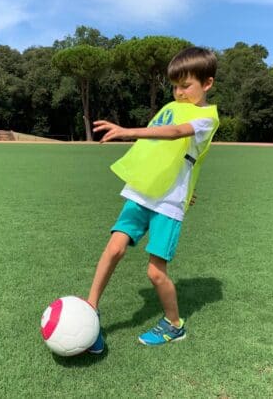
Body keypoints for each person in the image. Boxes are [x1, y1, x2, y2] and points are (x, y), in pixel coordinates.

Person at [86, 46, 219, 352]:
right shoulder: (175, 106)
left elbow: (173, 134)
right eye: (175, 86)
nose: (179, 92)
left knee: (155, 273)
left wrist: (125, 131)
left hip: (169, 204)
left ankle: (174, 325)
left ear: (207, 84)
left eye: (186, 86)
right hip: (141, 192)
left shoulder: (206, 118)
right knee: (114, 248)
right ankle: (91, 307)